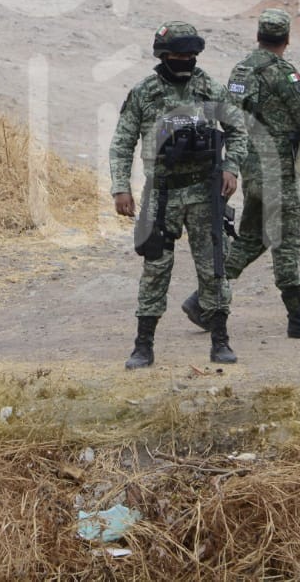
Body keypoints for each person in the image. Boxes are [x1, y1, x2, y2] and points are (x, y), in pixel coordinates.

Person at [183, 8, 300, 340]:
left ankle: (202, 301)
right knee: (286, 241)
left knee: (254, 238)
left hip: (251, 168)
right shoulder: (284, 73)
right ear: (287, 39)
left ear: (258, 36)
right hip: (277, 171)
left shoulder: (241, 70)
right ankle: (298, 315)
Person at [110, 22, 249, 370]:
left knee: (214, 267)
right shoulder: (145, 92)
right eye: (178, 55)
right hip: (161, 194)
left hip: (204, 192)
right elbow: (123, 141)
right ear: (163, 55)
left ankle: (220, 341)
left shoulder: (209, 88)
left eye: (191, 55)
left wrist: (231, 167)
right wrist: (121, 187)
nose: (186, 61)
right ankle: (143, 346)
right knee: (155, 269)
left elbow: (238, 129)